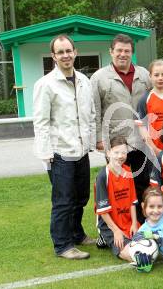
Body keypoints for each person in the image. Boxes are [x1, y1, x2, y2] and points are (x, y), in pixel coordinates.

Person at [33, 34, 96, 259]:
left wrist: (91, 141)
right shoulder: (45, 84)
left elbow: (90, 114)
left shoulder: (83, 81)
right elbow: (40, 122)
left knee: (81, 197)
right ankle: (63, 245)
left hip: (81, 151)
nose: (66, 55)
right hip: (60, 153)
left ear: (75, 52)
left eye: (68, 50)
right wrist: (46, 155)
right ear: (54, 56)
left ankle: (77, 234)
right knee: (63, 200)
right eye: (60, 52)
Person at [91, 34, 152, 224]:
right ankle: (114, 225)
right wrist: (100, 139)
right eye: (119, 51)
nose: (123, 55)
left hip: (141, 141)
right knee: (118, 186)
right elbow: (95, 110)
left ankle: (142, 223)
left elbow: (153, 104)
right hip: (116, 143)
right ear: (111, 52)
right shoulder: (99, 77)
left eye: (127, 51)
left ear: (132, 53)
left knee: (142, 183)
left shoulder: (144, 75)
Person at [94, 135, 139, 261]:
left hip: (127, 221)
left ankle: (110, 239)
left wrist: (134, 224)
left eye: (124, 152)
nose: (120, 156)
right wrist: (116, 231)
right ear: (108, 153)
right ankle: (104, 236)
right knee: (133, 254)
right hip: (109, 224)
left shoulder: (128, 171)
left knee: (149, 243)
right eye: (116, 152)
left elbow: (132, 202)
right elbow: (102, 211)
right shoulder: (103, 176)